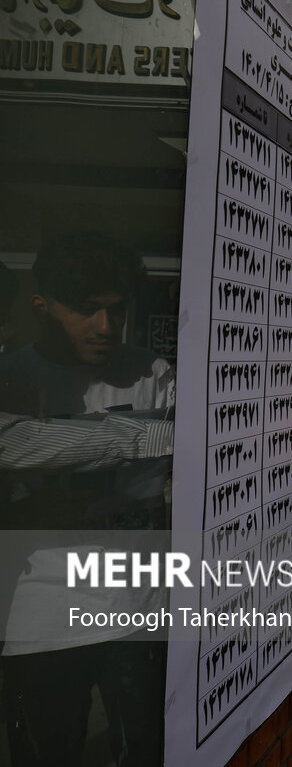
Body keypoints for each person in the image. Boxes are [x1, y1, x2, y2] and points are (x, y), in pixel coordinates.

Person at [0, 232, 173, 767]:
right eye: (85, 311)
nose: (105, 327)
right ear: (42, 307)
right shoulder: (12, 379)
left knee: (143, 752)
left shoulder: (151, 376)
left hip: (138, 609)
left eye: (116, 311)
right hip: (42, 616)